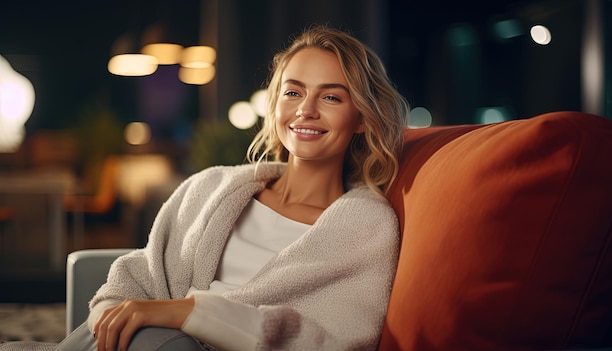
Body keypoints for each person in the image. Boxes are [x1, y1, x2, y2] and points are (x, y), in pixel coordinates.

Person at [0, 24, 408, 351]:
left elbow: (335, 338)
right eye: (294, 92)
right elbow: (137, 275)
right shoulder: (212, 186)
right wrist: (115, 315)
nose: (306, 110)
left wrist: (184, 314)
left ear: (361, 118)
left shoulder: (366, 225)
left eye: (331, 97)